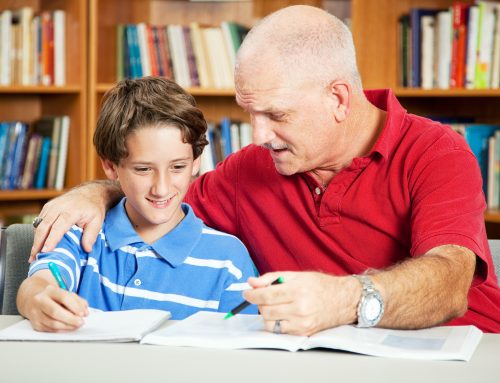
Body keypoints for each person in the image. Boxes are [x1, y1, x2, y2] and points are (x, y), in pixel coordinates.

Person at [30, 6, 500, 335]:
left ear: (337, 98)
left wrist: (343, 300)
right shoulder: (252, 169)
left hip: (456, 351)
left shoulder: (437, 152)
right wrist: (95, 192)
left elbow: (450, 281)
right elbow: (159, 196)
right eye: (249, 114)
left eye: (276, 115)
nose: (258, 136)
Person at [17, 77, 257, 332]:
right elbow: (38, 284)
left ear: (196, 161)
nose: (162, 188)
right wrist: (37, 299)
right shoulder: (79, 233)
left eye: (178, 167)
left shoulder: (229, 259)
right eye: (143, 169)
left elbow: (242, 341)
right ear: (110, 166)